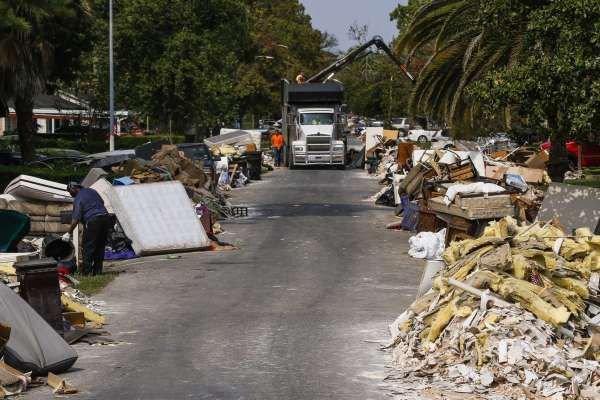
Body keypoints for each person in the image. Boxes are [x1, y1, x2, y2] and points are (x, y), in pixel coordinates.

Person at [63, 183, 112, 276]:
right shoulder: (92, 191)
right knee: (100, 246)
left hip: (93, 220)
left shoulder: (78, 198)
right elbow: (102, 202)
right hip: (105, 218)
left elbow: (76, 218)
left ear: (74, 188)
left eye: (70, 192)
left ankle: (87, 272)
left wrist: (68, 233)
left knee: (87, 247)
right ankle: (98, 271)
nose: (70, 194)